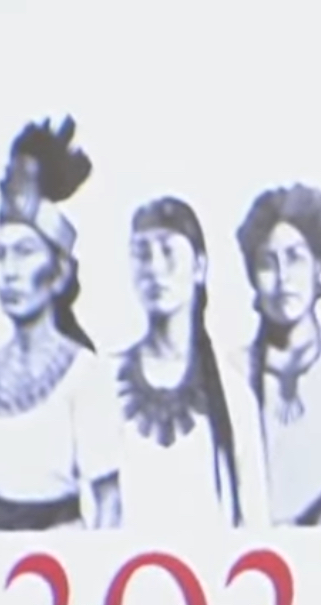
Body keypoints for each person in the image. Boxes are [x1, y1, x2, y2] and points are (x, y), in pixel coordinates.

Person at [0, 117, 118, 530]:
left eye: (25, 252)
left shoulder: (85, 375)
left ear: (58, 273)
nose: (10, 272)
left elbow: (108, 505)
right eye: (2, 255)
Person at [111, 196, 269, 529]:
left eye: (168, 252)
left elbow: (254, 522)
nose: (155, 268)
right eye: (142, 254)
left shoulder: (233, 396)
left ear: (199, 266)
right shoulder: (103, 384)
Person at [236, 183, 321, 526]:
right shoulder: (232, 373)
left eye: (295, 258)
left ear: (318, 266)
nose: (283, 278)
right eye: (268, 263)